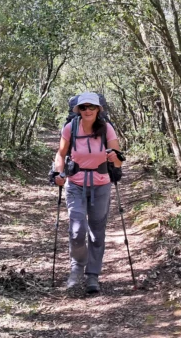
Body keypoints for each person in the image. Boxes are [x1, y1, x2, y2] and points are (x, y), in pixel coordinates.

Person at [51, 92, 122, 293]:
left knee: (97, 233)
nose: (88, 110)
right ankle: (76, 268)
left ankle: (93, 275)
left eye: (91, 107)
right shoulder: (70, 128)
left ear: (98, 109)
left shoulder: (107, 129)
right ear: (78, 110)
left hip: (101, 184)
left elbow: (118, 159)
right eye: (83, 107)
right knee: (76, 229)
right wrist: (58, 172)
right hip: (75, 185)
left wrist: (113, 159)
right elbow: (61, 154)